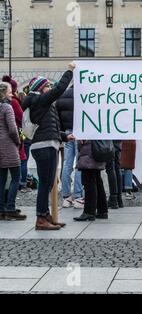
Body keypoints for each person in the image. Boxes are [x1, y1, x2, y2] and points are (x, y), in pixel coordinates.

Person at [22, 62, 76, 230]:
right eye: (48, 86)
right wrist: (69, 71)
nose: (50, 88)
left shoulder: (42, 103)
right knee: (45, 183)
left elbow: (49, 129)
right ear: (41, 88)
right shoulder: (38, 100)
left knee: (48, 183)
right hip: (44, 147)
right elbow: (59, 89)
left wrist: (65, 136)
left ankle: (46, 216)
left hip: (48, 144)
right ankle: (40, 219)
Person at [0, 82, 26, 221]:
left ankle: (1, 208)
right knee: (16, 177)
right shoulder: (7, 107)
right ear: (4, 93)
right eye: (10, 91)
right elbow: (12, 129)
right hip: (8, 146)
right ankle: (10, 208)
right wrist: (18, 141)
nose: (12, 93)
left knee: (2, 178)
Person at [56, 86, 84, 209]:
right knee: (79, 164)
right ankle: (78, 195)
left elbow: (57, 116)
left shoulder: (62, 95)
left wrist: (63, 132)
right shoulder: (83, 94)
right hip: (80, 132)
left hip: (67, 133)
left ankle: (66, 196)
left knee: (67, 163)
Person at [74, 140, 108, 221]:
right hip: (97, 149)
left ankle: (89, 212)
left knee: (89, 180)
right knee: (97, 179)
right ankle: (102, 210)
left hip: (89, 150)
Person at [106, 141, 123, 209]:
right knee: (117, 167)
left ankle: (113, 198)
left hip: (110, 140)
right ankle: (119, 199)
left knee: (110, 168)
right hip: (117, 137)